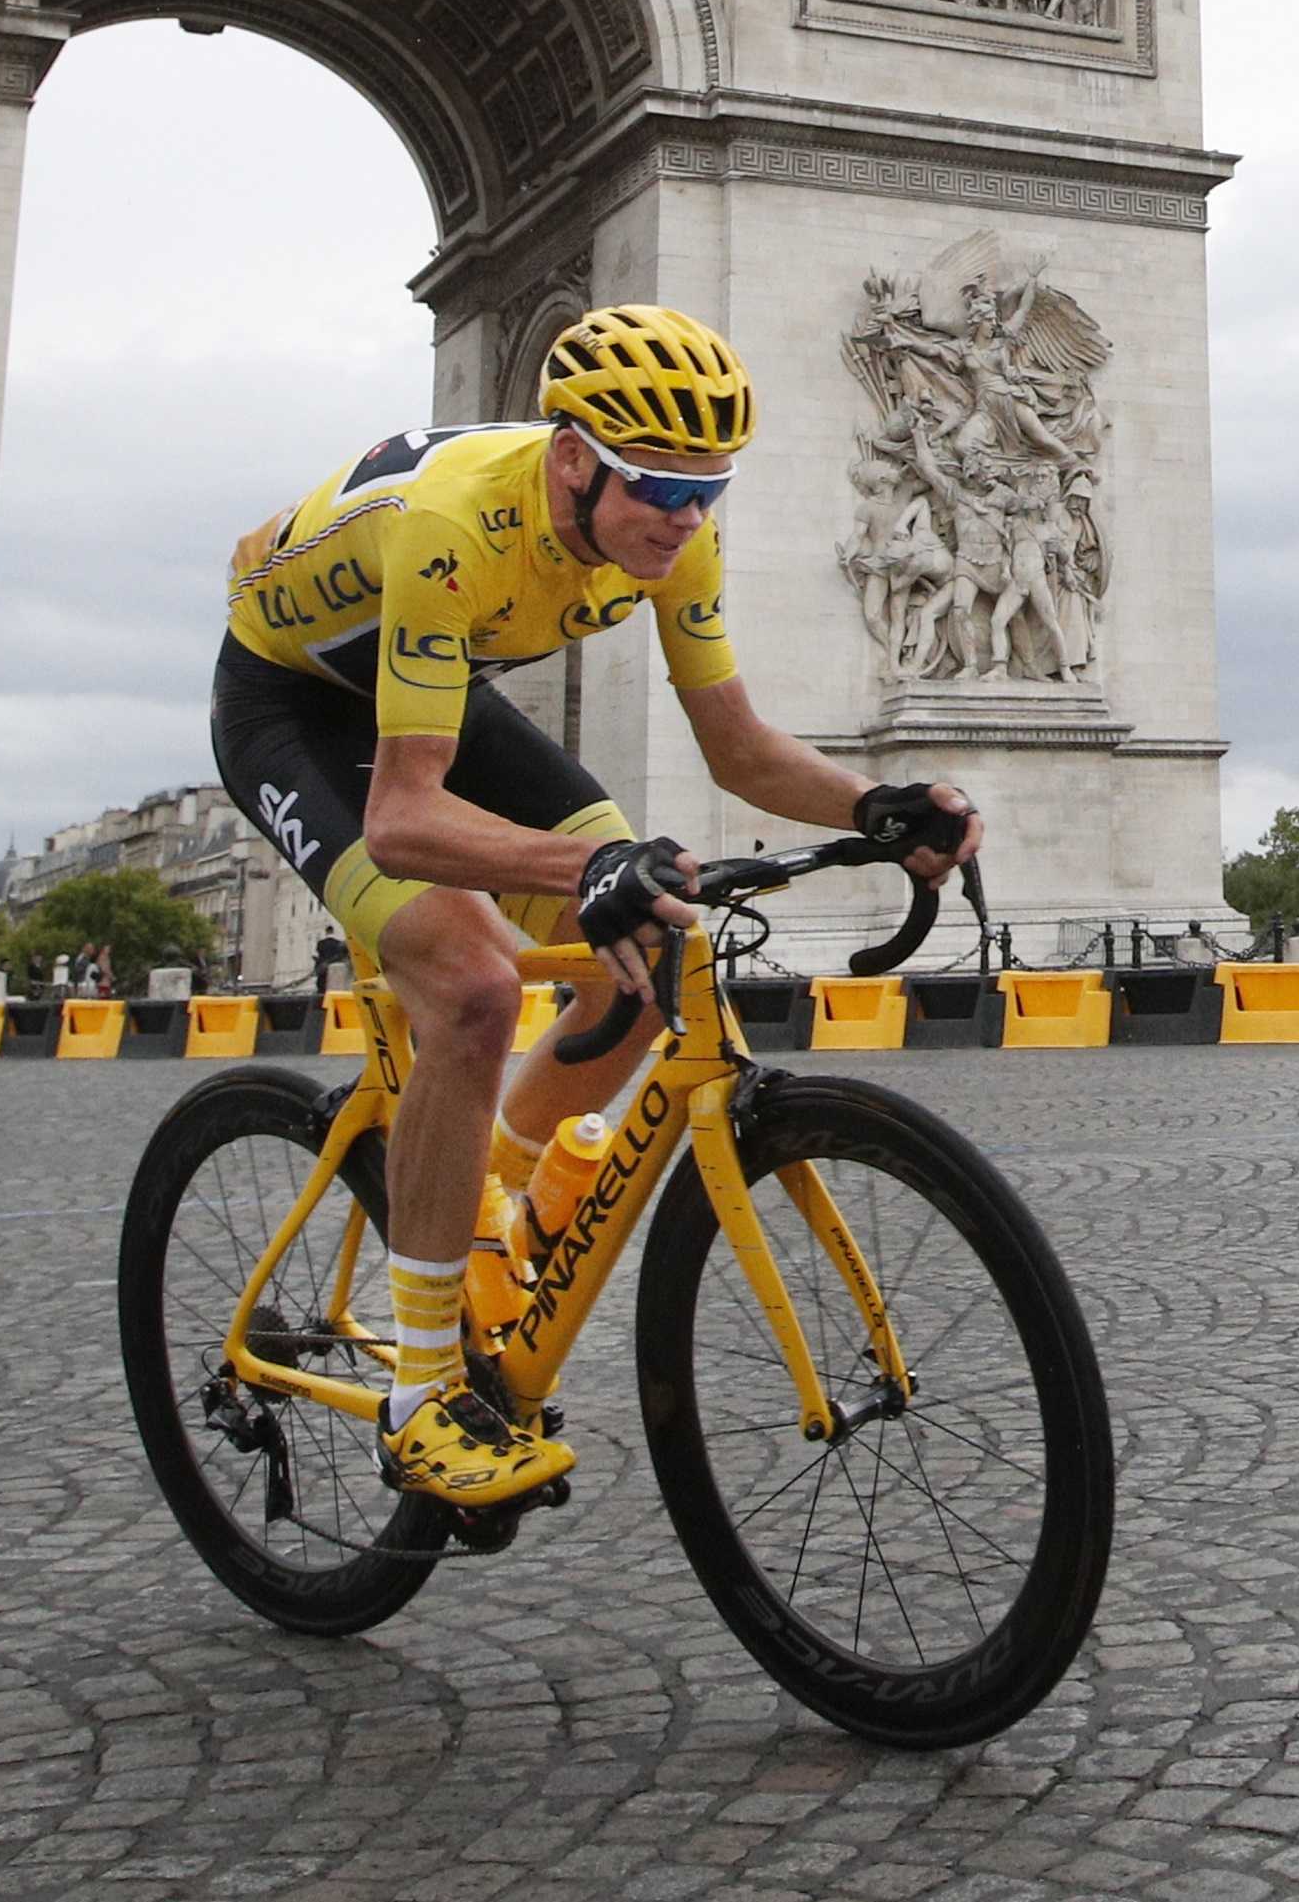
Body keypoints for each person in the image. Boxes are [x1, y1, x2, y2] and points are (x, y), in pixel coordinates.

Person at [214, 304, 980, 1515]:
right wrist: (586, 870)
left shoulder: (676, 535)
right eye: (658, 490)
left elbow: (735, 747)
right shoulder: (453, 523)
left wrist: (875, 803)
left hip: (431, 685)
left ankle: (483, 1229)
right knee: (471, 990)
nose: (682, 521)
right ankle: (423, 1393)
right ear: (572, 457)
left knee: (649, 949)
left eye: (706, 493)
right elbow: (404, 820)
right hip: (294, 709)